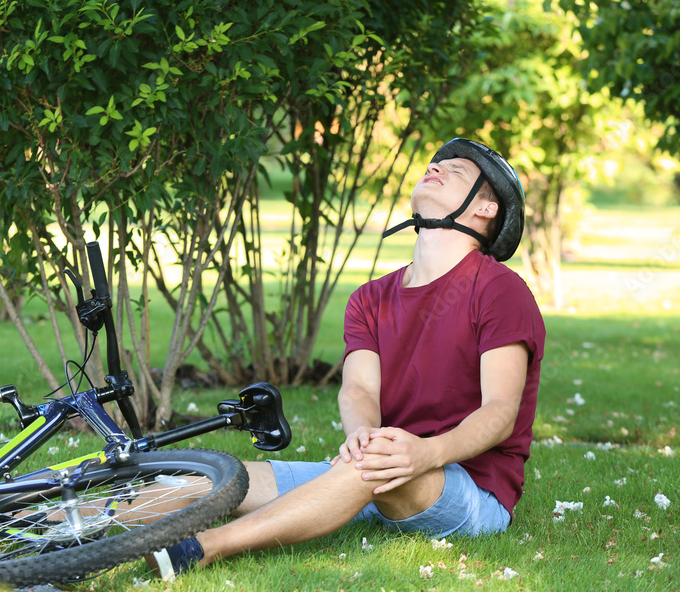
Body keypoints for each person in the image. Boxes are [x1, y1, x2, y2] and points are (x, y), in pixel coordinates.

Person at [149, 138, 546, 580]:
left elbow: (500, 411)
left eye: (456, 171)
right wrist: (361, 435)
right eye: (436, 164)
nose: (435, 168)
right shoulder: (370, 298)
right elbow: (359, 388)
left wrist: (425, 453)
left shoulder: (499, 290)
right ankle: (65, 528)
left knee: (374, 465)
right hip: (374, 467)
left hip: (468, 489)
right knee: (214, 479)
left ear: (486, 209)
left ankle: (201, 549)